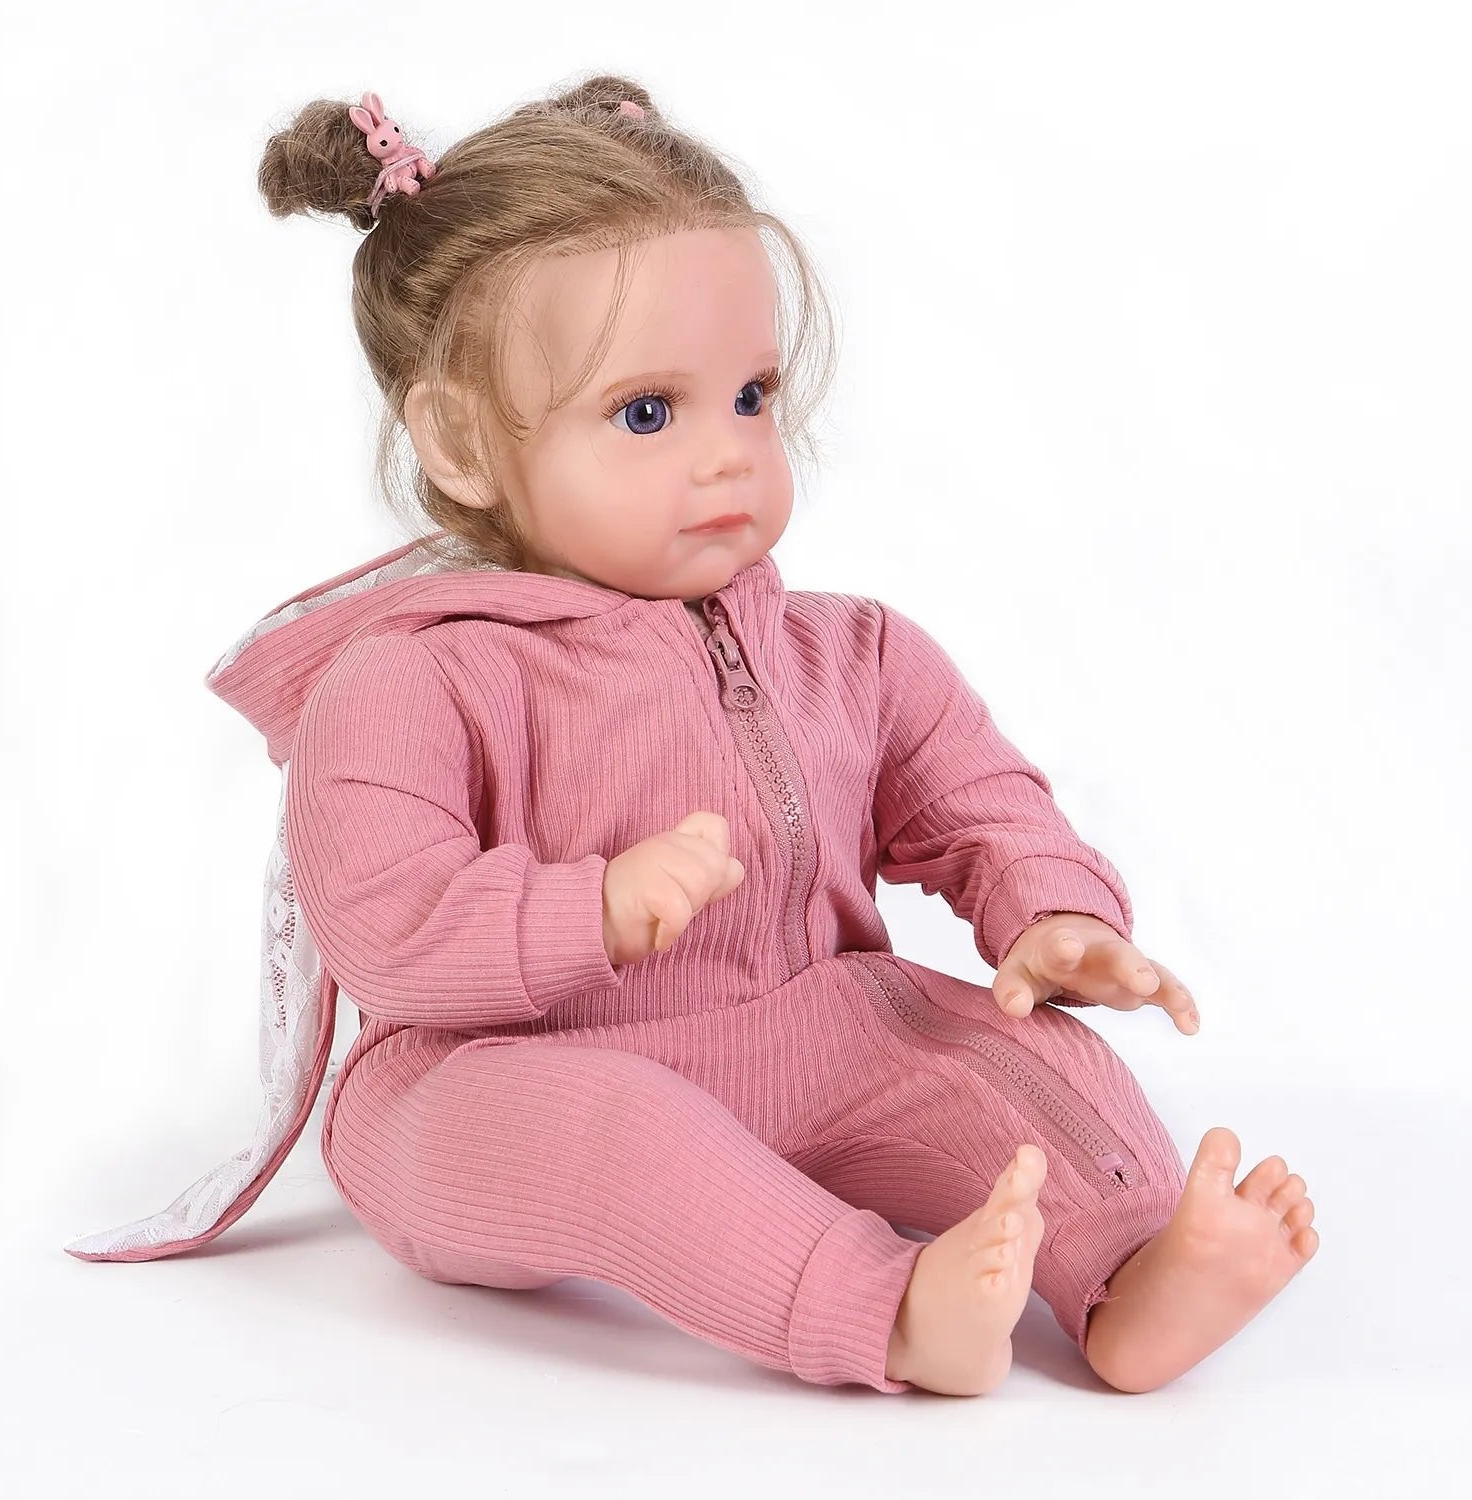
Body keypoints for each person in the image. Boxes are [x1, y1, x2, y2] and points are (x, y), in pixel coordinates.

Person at [64, 75, 1318, 1397]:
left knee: (1014, 1058)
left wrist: (1052, 915)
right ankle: (886, 1314)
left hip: (812, 1035)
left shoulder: (854, 650)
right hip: (503, 1076)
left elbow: (979, 797)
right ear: (461, 443)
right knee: (611, 1131)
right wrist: (589, 910)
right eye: (649, 413)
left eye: (752, 396)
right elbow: (385, 918)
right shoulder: (410, 681)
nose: (728, 455)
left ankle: (1133, 1270)